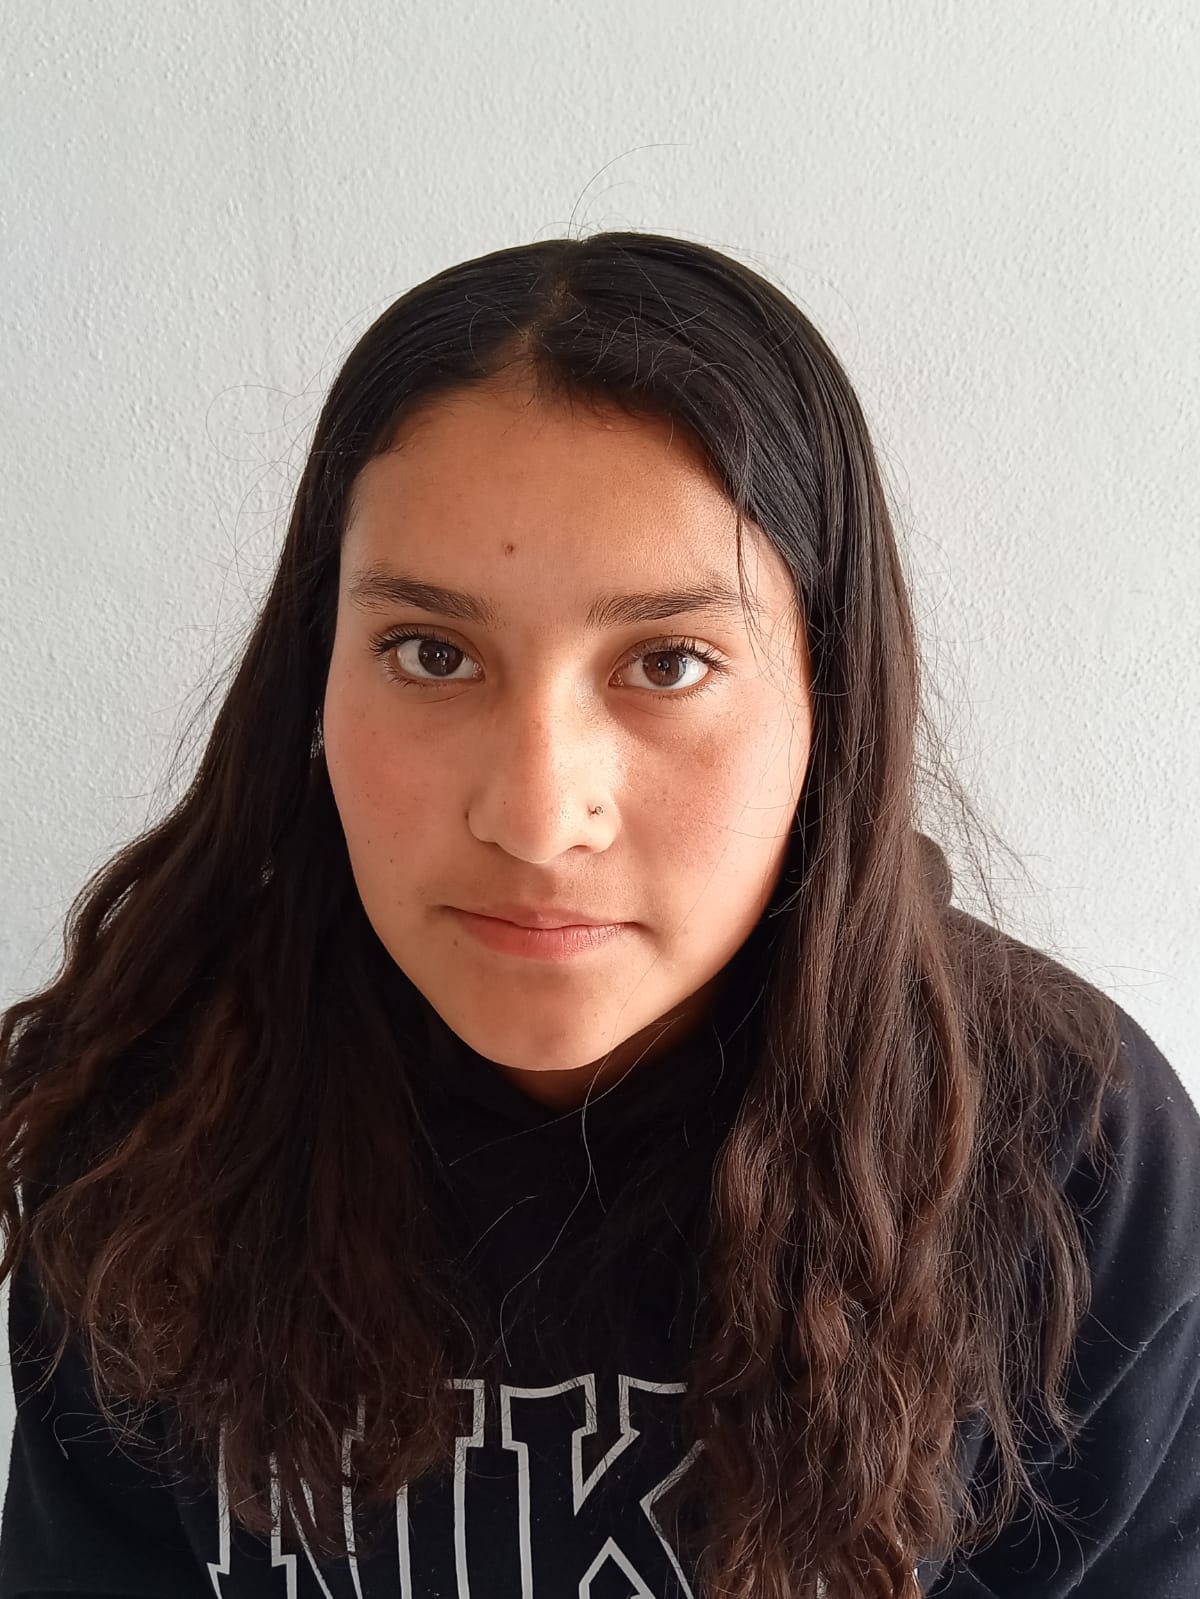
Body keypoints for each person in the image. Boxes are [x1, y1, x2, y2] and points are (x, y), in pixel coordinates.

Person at [0, 231, 1197, 1599]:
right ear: (314, 682)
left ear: (830, 704)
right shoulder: (151, 1111)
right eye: (431, 653)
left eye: (668, 662)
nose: (536, 814)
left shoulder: (1061, 1140)